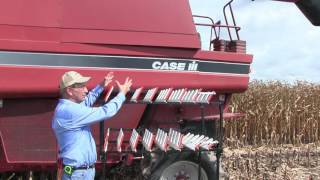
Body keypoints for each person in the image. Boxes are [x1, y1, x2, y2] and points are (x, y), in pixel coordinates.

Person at [52, 71, 132, 180]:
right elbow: (105, 111)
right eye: (81, 86)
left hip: (80, 172)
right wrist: (122, 94)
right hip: (78, 174)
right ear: (70, 91)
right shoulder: (70, 112)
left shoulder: (67, 108)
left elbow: (86, 102)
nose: (86, 90)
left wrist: (101, 85)